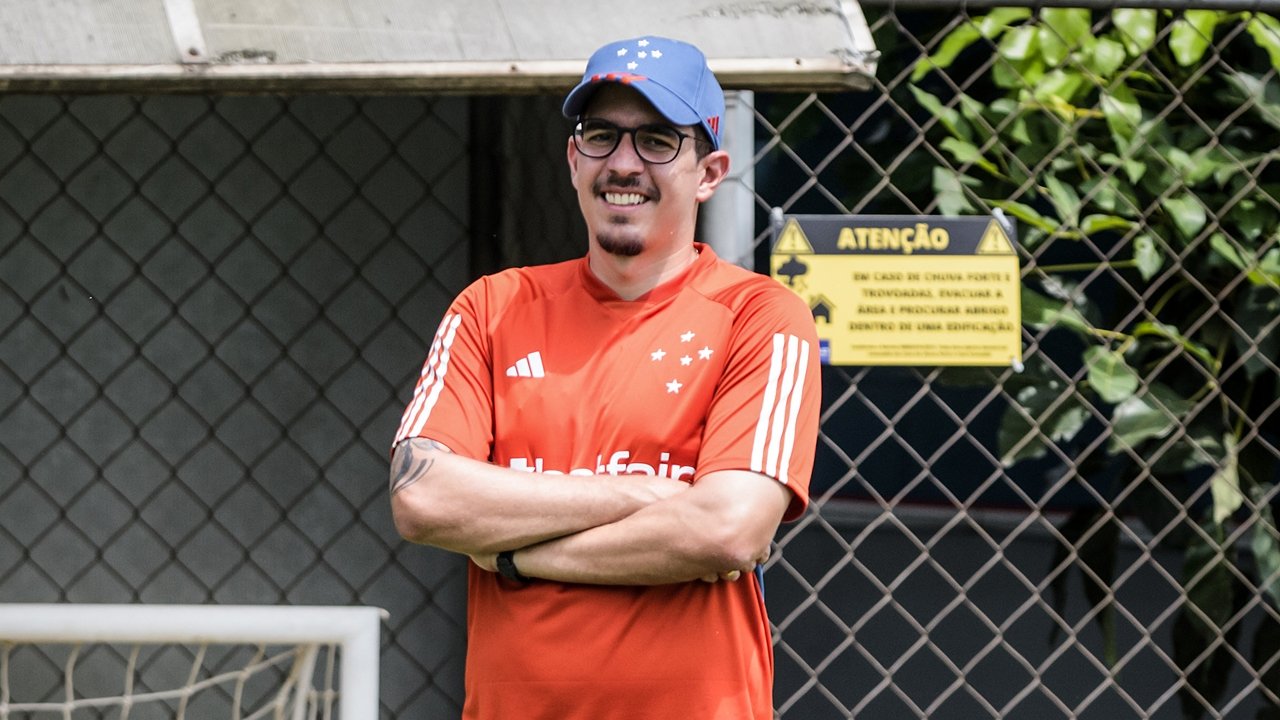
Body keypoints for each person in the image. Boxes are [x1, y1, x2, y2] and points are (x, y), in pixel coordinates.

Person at [388, 35, 821, 720]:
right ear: (572, 157)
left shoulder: (760, 316)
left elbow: (728, 530)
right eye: (600, 136)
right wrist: (647, 495)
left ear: (709, 172)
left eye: (656, 140)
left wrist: (512, 557)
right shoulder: (491, 309)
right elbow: (425, 500)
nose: (623, 163)